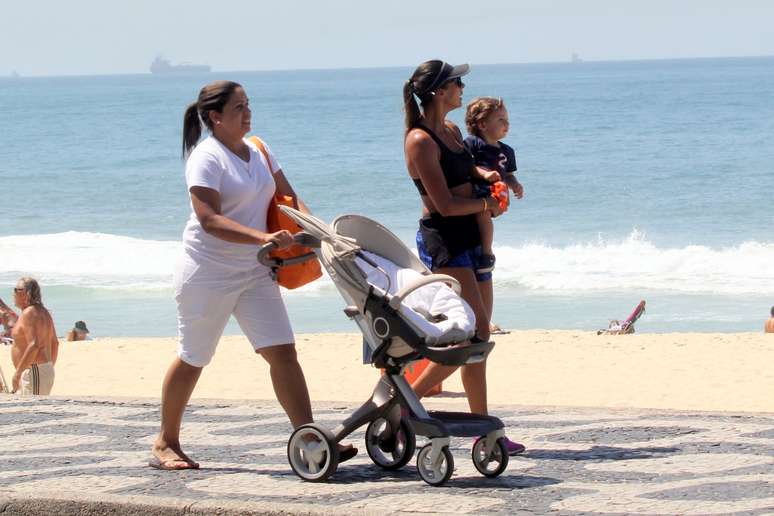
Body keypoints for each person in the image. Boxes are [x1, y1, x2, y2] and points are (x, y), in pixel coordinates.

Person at [151, 80, 355, 470]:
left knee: (283, 351)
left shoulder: (260, 150)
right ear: (215, 117)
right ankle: (165, 441)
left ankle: (309, 436)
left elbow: (291, 201)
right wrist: (262, 236)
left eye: (248, 104)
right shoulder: (206, 158)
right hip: (207, 273)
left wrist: (322, 235)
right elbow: (209, 219)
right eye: (238, 108)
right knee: (194, 357)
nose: (248, 113)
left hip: (256, 269)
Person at [403, 60, 524, 455]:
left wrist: (486, 177)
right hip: (447, 240)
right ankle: (406, 402)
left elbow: (465, 171)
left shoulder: (451, 131)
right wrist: (486, 202)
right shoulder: (420, 140)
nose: (462, 89)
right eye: (457, 83)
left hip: (472, 233)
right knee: (475, 333)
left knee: (481, 336)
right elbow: (442, 205)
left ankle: (482, 427)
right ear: (440, 91)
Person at [464, 96, 525, 334]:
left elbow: (507, 174)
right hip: (479, 191)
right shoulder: (473, 144)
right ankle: (487, 251)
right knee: (483, 215)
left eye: (507, 120)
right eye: (500, 120)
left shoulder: (506, 151)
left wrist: (515, 184)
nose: (506, 125)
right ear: (481, 124)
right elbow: (467, 167)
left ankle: (487, 249)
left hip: (496, 194)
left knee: (488, 216)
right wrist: (484, 174)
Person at [8, 277, 59, 395]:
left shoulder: (29, 313)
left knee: (34, 410)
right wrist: (48, 366)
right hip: (38, 370)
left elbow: (34, 344)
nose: (13, 293)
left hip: (34, 370)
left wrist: (17, 374)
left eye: (17, 290)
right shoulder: (43, 312)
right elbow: (55, 343)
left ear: (27, 293)